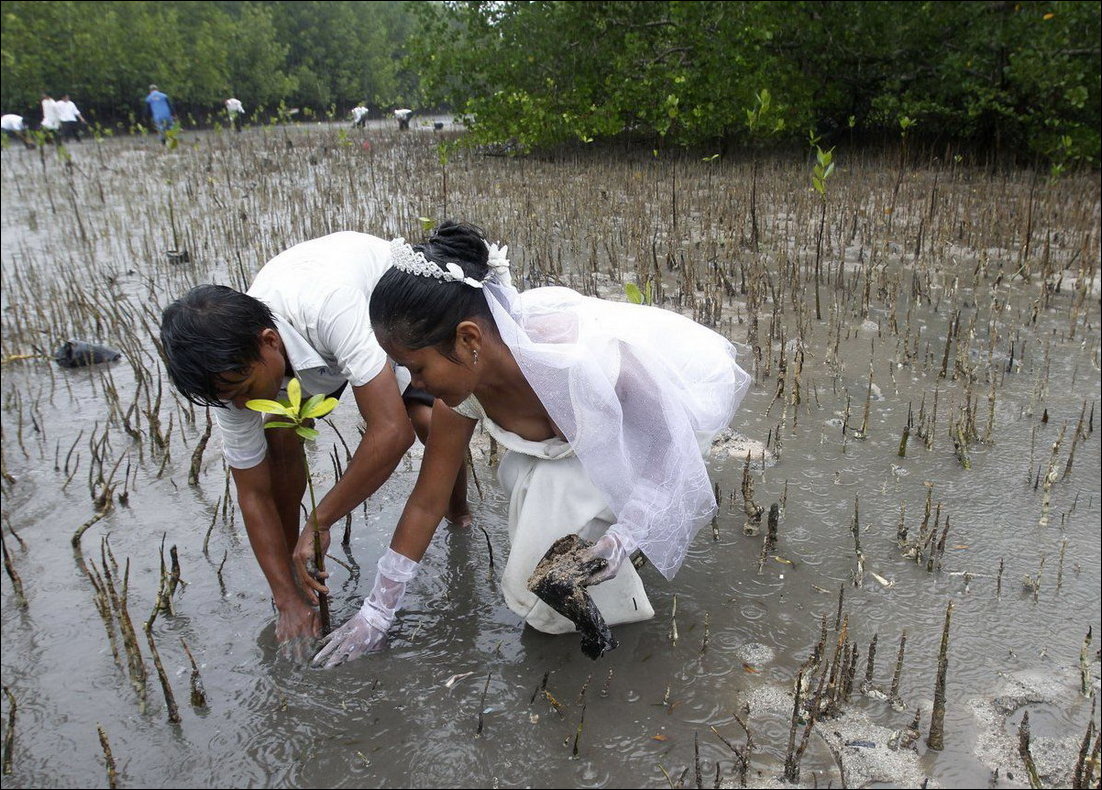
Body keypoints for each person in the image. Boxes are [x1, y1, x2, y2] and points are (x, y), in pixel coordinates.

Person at [313, 222, 751, 667]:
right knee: (533, 496)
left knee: (556, 494)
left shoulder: (586, 363)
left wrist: (624, 537)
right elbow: (427, 502)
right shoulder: (459, 400)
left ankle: (620, 597)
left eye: (417, 368)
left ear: (468, 339)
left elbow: (668, 451)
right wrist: (378, 611)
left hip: (648, 439)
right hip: (572, 455)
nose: (414, 384)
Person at [159, 231, 471, 656]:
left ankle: (458, 513)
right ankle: (297, 569)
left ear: (269, 343)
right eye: (229, 399)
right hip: (310, 348)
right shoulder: (228, 380)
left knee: (425, 421)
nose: (242, 405)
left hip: (385, 308)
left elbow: (391, 433)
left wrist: (320, 520)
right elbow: (253, 493)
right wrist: (286, 598)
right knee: (279, 435)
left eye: (245, 390)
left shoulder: (329, 307)